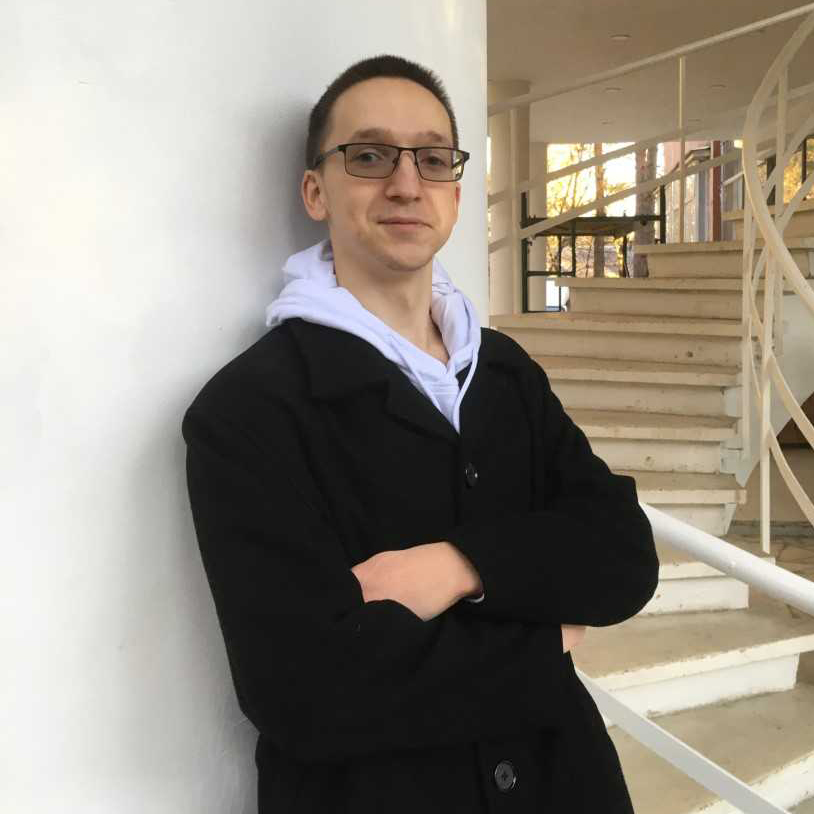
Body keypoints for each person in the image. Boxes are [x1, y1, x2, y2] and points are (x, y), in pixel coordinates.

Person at [181, 53, 659, 814]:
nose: (407, 184)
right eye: (369, 156)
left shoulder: (505, 371)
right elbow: (304, 691)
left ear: (456, 195)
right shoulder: (248, 410)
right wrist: (545, 635)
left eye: (433, 160)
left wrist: (460, 566)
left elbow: (624, 558)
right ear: (315, 191)